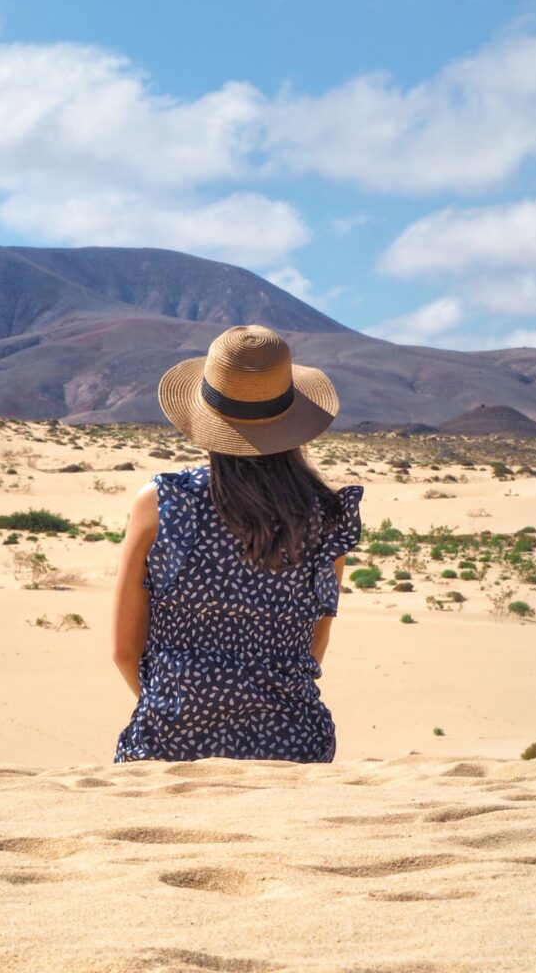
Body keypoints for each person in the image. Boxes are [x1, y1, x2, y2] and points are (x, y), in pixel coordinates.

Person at [111, 324, 363, 764]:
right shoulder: (327, 518)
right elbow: (311, 650)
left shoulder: (163, 504)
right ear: (293, 421)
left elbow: (123, 650)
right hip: (294, 745)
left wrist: (181, 709)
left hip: (168, 742)